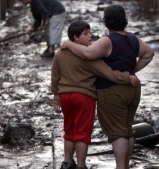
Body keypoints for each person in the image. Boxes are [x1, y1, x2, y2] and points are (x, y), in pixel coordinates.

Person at [61, 5, 154, 169]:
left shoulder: (107, 40)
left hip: (112, 90)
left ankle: (120, 167)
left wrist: (68, 44)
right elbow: (148, 54)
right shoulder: (133, 38)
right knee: (127, 130)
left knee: (118, 133)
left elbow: (87, 54)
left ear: (106, 21)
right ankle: (124, 166)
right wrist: (132, 71)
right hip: (132, 89)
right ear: (124, 20)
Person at [51, 20, 139, 169]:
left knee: (69, 129)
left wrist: (56, 95)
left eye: (90, 32)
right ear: (75, 37)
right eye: (86, 34)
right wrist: (127, 77)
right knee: (83, 132)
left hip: (65, 96)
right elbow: (109, 74)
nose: (90, 36)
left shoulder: (60, 53)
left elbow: (55, 75)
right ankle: (80, 165)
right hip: (84, 97)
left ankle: (67, 162)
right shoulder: (88, 56)